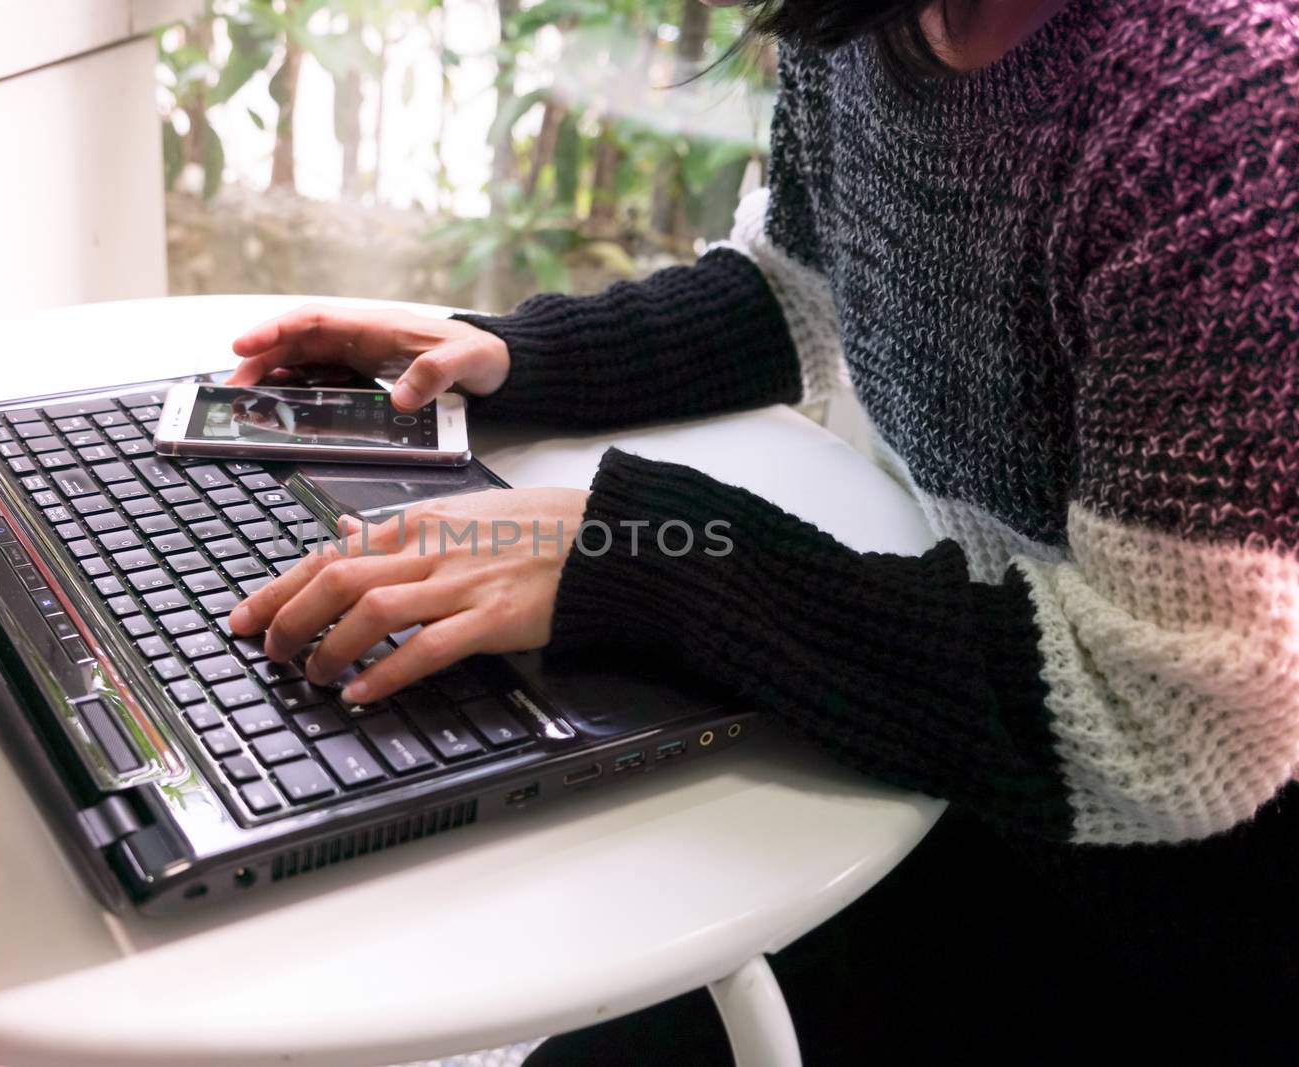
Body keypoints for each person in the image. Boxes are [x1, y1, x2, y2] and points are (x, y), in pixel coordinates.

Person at [225, 0, 1299, 1059]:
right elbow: (795, 288)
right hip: (977, 734)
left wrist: (645, 556)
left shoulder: (1229, 107)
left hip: (1194, 900)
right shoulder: (862, 19)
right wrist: (504, 357)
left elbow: (1181, 725)